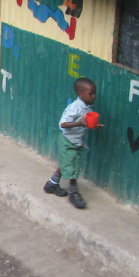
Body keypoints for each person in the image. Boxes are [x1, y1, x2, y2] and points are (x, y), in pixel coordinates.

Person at [43, 77, 97, 209]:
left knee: (66, 164)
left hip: (76, 141)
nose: (93, 97)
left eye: (94, 93)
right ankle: (74, 193)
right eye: (91, 94)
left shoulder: (88, 107)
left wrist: (94, 124)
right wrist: (79, 123)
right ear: (80, 94)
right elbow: (63, 124)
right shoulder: (75, 107)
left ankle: (52, 184)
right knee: (72, 167)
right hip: (68, 141)